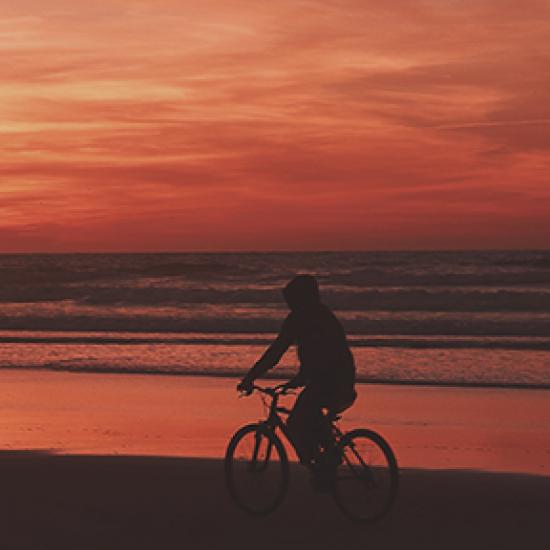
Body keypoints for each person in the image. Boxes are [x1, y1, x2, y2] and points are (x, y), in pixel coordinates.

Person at [237, 274, 356, 486]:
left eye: (292, 300)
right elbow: (317, 354)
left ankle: (324, 466)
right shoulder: (323, 315)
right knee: (311, 417)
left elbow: (277, 352)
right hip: (341, 379)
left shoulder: (302, 318)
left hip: (330, 381)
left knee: (296, 422)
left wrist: (251, 377)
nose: (289, 305)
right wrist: (302, 377)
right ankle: (325, 461)